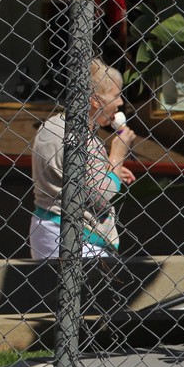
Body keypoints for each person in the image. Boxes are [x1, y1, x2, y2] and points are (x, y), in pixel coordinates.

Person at [29, 57, 136, 257]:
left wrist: (108, 169)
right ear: (95, 100)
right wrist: (117, 157)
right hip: (81, 240)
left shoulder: (51, 126)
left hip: (43, 228)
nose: (121, 102)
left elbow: (71, 172)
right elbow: (102, 197)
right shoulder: (85, 139)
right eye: (116, 95)